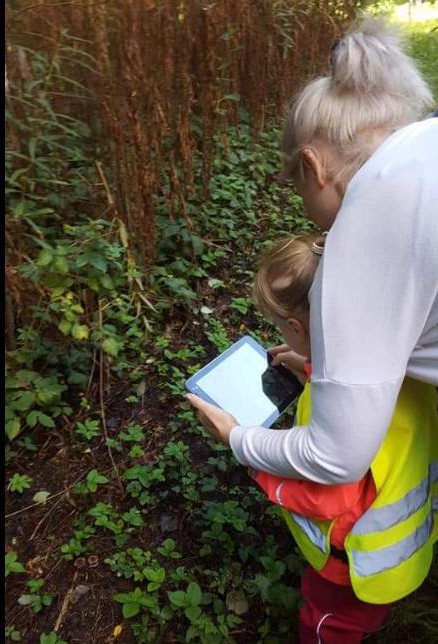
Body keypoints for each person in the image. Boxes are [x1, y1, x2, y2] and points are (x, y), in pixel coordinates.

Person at [187, 16, 438, 488]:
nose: (305, 208)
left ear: (312, 165)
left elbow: (336, 457)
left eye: (296, 188)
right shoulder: (426, 140)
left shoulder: (361, 233)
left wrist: (236, 435)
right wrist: (317, 361)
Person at [241, 232, 438, 643]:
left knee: (327, 627)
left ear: (295, 326)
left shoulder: (336, 413)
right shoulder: (411, 359)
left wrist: (259, 468)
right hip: (408, 545)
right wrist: (311, 364)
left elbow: (324, 494)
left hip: (354, 568)